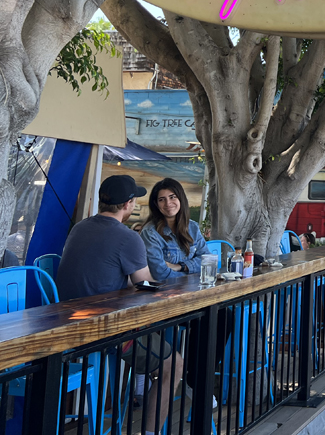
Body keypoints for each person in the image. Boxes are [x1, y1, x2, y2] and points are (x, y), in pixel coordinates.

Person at [57, 175, 183, 435]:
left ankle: (139, 384)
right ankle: (149, 431)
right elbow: (144, 285)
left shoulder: (79, 227)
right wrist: (170, 288)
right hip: (104, 332)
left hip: (65, 323)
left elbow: (103, 274)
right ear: (128, 204)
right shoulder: (128, 237)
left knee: (155, 339)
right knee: (175, 364)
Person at [140, 178, 211, 281]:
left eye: (172, 197)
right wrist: (192, 277)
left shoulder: (192, 227)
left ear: (181, 198)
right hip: (165, 293)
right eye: (161, 199)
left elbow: (207, 260)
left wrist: (180, 266)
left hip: (194, 291)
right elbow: (160, 274)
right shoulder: (150, 233)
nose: (168, 203)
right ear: (156, 204)